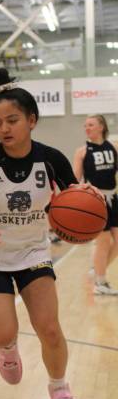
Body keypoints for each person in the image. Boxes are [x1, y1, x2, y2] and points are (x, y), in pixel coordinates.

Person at [0, 68, 87, 399]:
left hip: (33, 251)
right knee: (3, 332)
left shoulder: (52, 160)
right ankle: (7, 348)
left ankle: (59, 388)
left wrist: (86, 202)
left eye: (12, 120)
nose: (4, 129)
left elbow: (73, 197)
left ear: (32, 120)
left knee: (50, 328)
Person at [73, 115, 118, 295]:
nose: (87, 128)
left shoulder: (114, 147)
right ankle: (100, 282)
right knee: (104, 242)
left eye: (91, 125)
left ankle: (98, 270)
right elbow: (74, 179)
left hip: (113, 198)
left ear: (101, 127)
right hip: (96, 201)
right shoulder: (82, 152)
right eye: (85, 125)